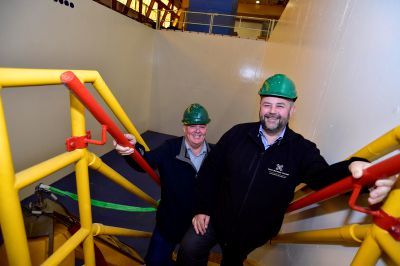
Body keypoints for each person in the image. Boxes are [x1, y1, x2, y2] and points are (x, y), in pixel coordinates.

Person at [176, 74, 397, 266]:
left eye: (280, 105)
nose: (272, 111)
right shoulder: (236, 134)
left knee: (232, 261)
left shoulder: (301, 149)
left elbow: (324, 178)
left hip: (252, 232)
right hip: (217, 218)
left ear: (292, 109)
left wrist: (355, 167)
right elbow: (210, 171)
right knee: (189, 249)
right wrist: (202, 208)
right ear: (260, 105)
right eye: (267, 104)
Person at [114, 103, 212, 266]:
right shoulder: (170, 148)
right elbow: (145, 162)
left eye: (201, 126)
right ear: (184, 128)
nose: (197, 130)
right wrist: (132, 148)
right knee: (154, 262)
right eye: (192, 126)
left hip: (197, 227)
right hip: (169, 221)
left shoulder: (214, 155)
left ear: (206, 128)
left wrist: (207, 211)